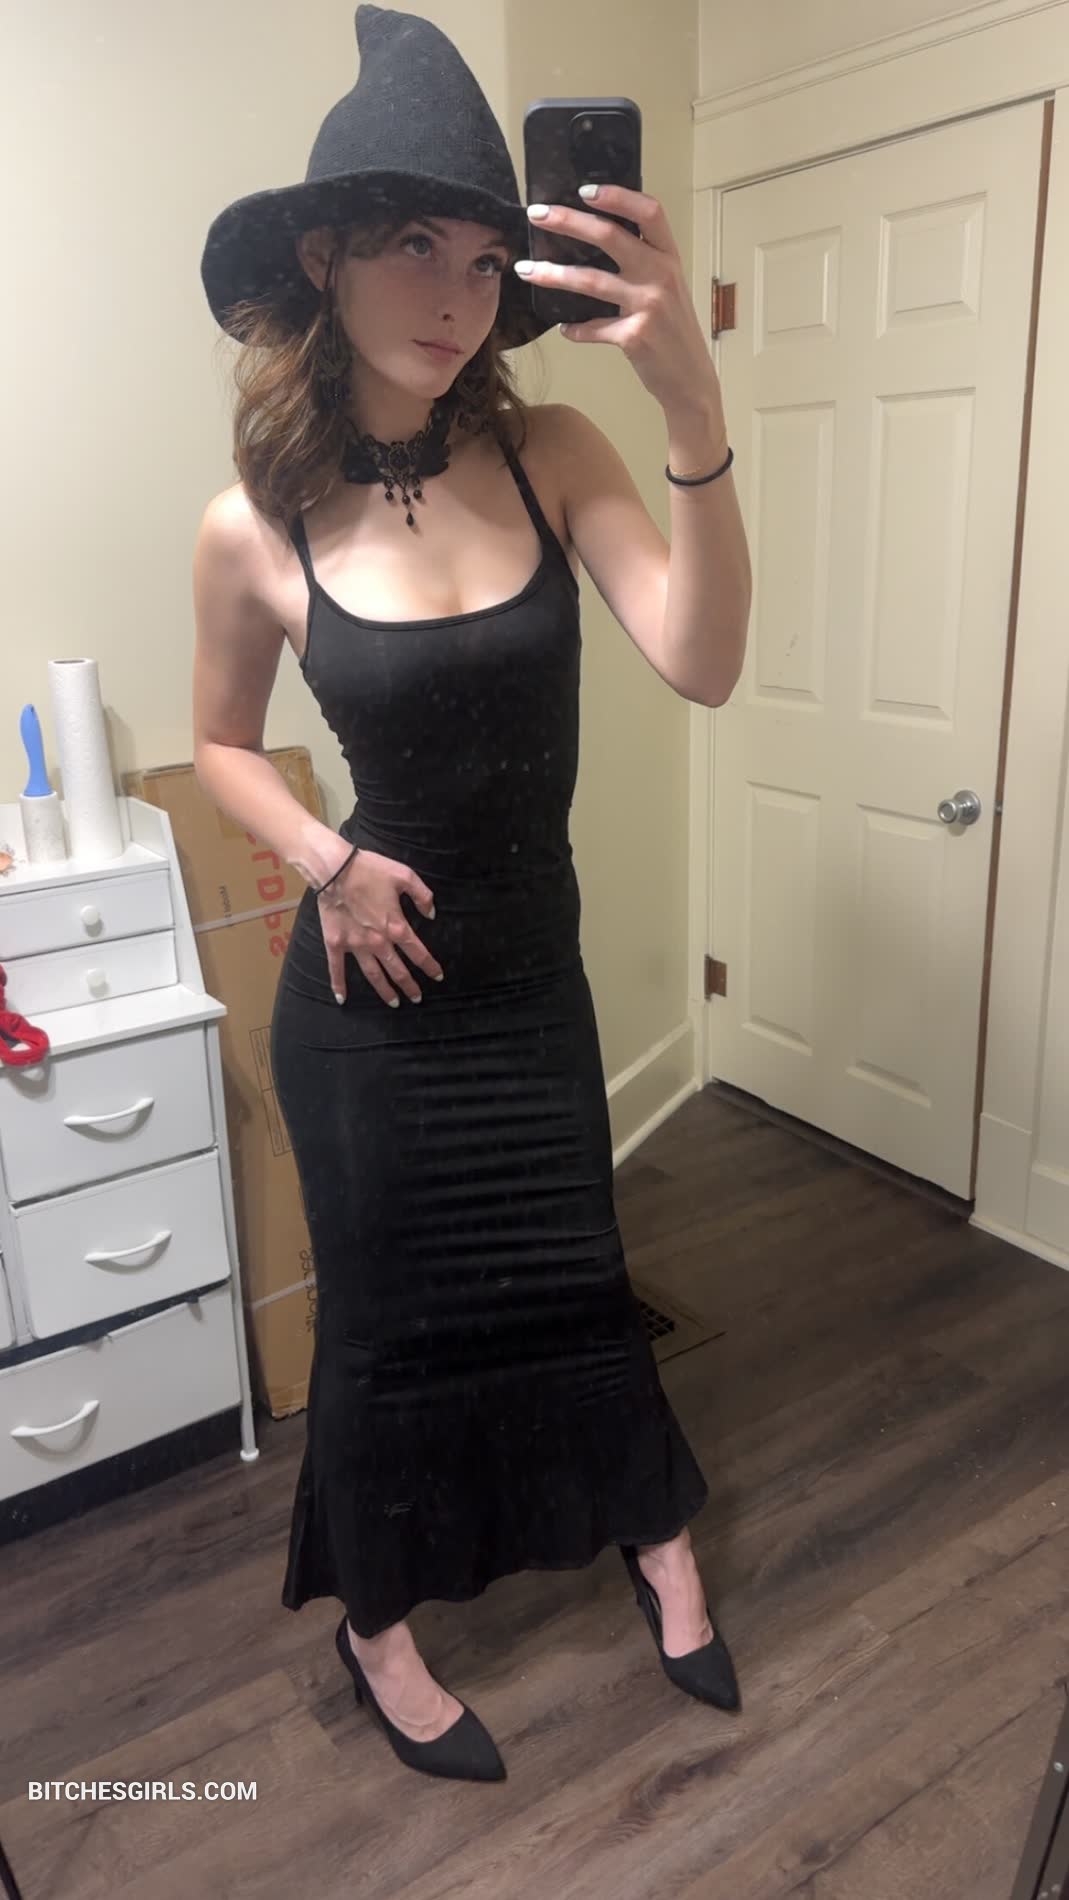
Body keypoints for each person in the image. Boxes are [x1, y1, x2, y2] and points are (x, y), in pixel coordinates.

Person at [193, 5, 751, 1785]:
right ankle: (375, 1621)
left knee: (576, 1279)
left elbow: (703, 662)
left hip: (529, 980)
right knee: (386, 1325)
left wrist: (691, 404)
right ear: (323, 255)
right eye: (412, 246)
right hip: (369, 1004)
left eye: (485, 256)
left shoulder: (554, 451)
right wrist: (326, 860)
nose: (455, 293)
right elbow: (220, 746)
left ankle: (655, 1537)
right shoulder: (254, 522)